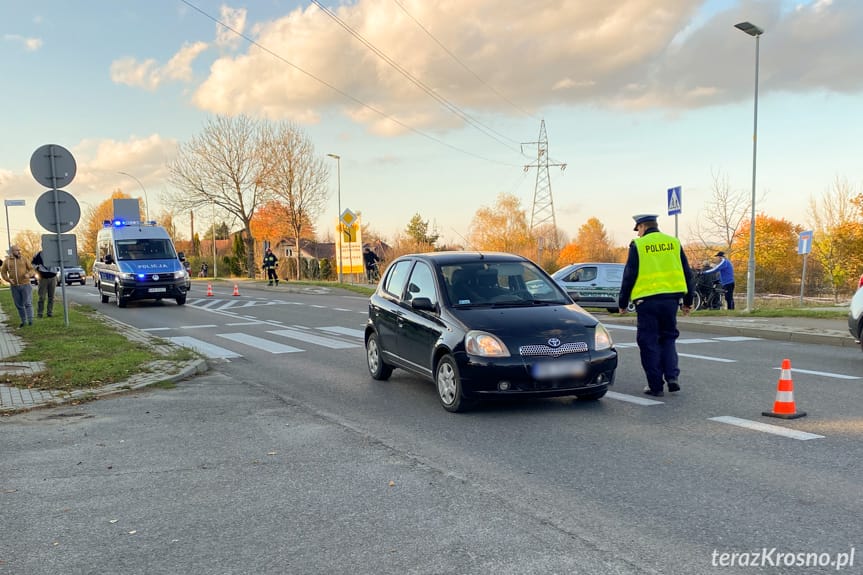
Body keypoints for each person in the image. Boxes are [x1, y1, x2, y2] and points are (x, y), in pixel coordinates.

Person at [618, 214, 694, 397]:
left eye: (638, 230)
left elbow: (629, 275)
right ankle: (672, 377)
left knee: (649, 342)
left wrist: (622, 303)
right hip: (671, 301)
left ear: (643, 226)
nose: (638, 234)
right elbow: (687, 273)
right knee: (668, 338)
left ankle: (655, 386)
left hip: (647, 302)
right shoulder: (673, 242)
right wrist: (688, 302)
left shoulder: (639, 245)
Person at [1, 245, 35, 328]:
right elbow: (3, 272)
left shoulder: (24, 259)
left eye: (19, 250)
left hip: (25, 284)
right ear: (12, 251)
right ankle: (24, 321)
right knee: (19, 305)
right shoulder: (7, 261)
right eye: (17, 250)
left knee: (28, 303)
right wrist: (8, 280)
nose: (19, 252)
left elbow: (31, 269)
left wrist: (29, 274)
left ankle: (30, 321)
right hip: (14, 286)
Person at [31, 250, 59, 318]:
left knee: (51, 297)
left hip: (53, 277)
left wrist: (57, 268)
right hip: (43, 278)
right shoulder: (39, 254)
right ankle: (40, 313)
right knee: (42, 297)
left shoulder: (54, 253)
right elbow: (32, 263)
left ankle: (50, 313)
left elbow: (59, 262)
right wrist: (37, 268)